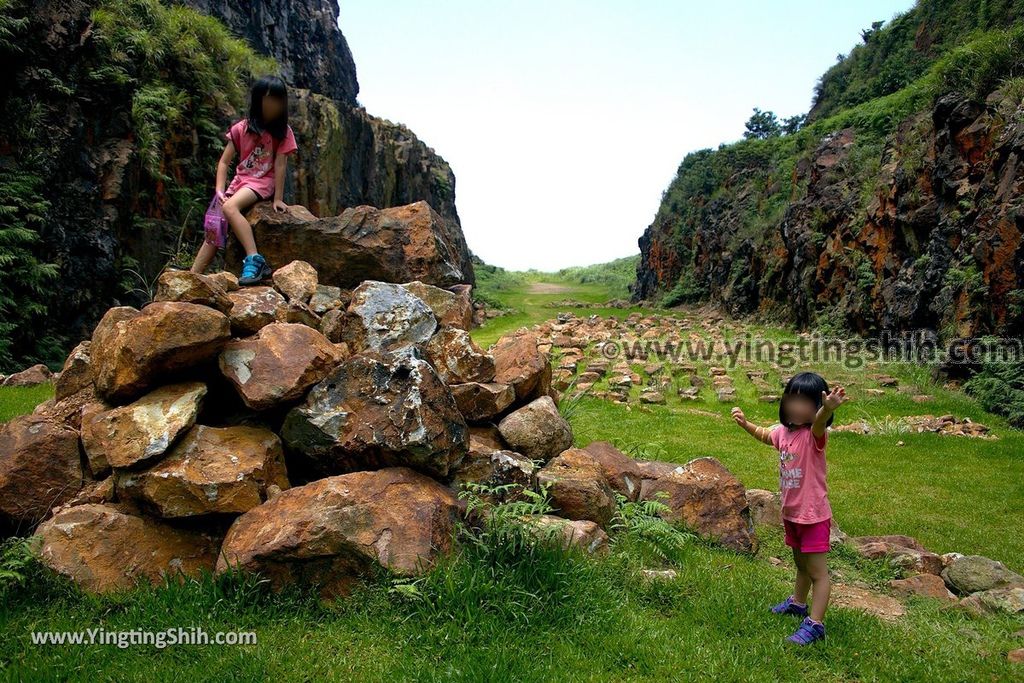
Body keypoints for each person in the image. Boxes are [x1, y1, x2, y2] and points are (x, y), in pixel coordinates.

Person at [731, 371, 850, 646]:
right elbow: (765, 435)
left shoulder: (814, 436)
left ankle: (816, 624)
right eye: (792, 400)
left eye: (805, 403)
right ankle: (798, 603)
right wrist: (746, 424)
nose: (796, 407)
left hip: (814, 516)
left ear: (817, 407)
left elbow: (819, 422)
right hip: (792, 514)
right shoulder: (785, 433)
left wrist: (826, 409)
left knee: (818, 572)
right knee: (800, 565)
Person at [190, 74, 297, 285]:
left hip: (261, 182)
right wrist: (219, 190)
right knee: (214, 228)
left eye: (277, 101)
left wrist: (278, 198)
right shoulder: (242, 128)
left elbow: (280, 165)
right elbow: (223, 162)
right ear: (258, 100)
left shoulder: (283, 132)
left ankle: (254, 259)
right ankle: (193, 275)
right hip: (240, 182)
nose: (272, 106)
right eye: (267, 100)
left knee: (230, 209)